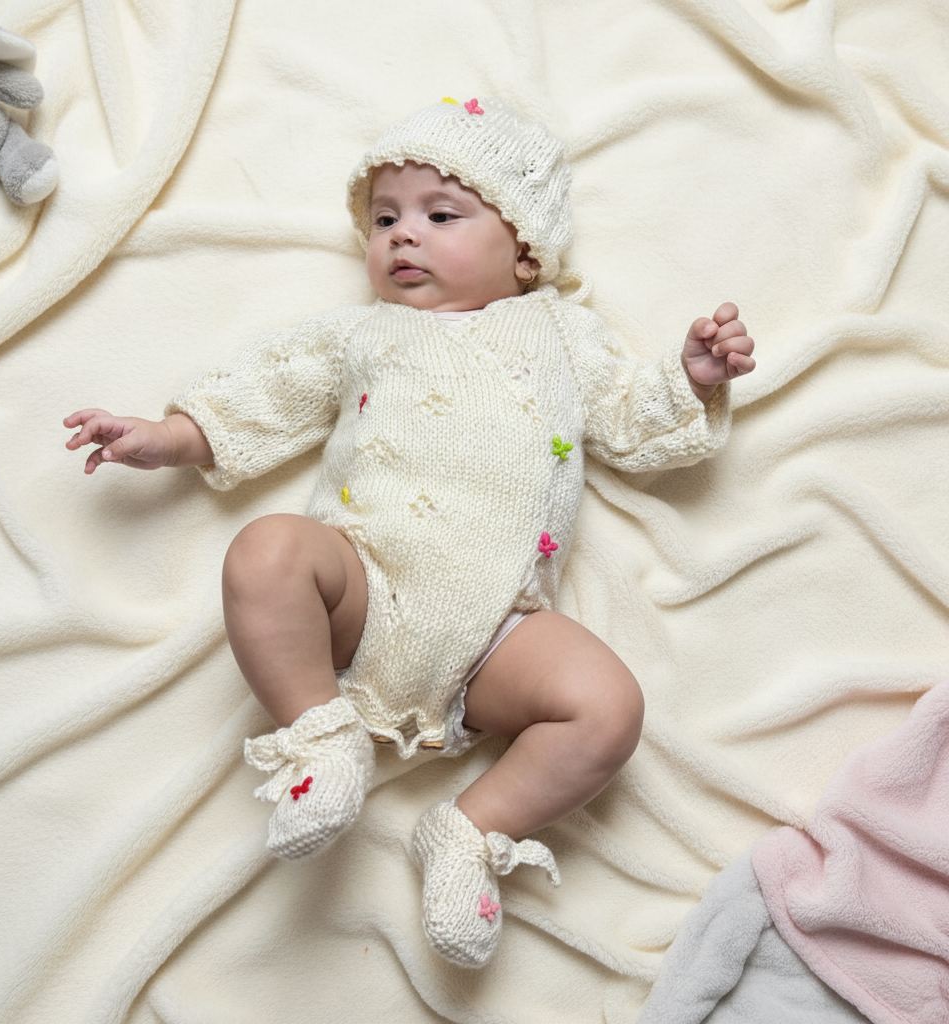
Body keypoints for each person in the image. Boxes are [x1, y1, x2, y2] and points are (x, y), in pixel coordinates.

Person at [64, 97, 755, 968]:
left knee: (609, 707)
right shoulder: (360, 334)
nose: (402, 237)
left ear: (525, 246)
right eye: (384, 219)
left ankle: (470, 831)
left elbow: (631, 424)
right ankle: (320, 732)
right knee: (266, 550)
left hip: (501, 631)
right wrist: (167, 438)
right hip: (363, 587)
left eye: (440, 215)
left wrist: (689, 379)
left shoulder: (561, 335)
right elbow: (260, 395)